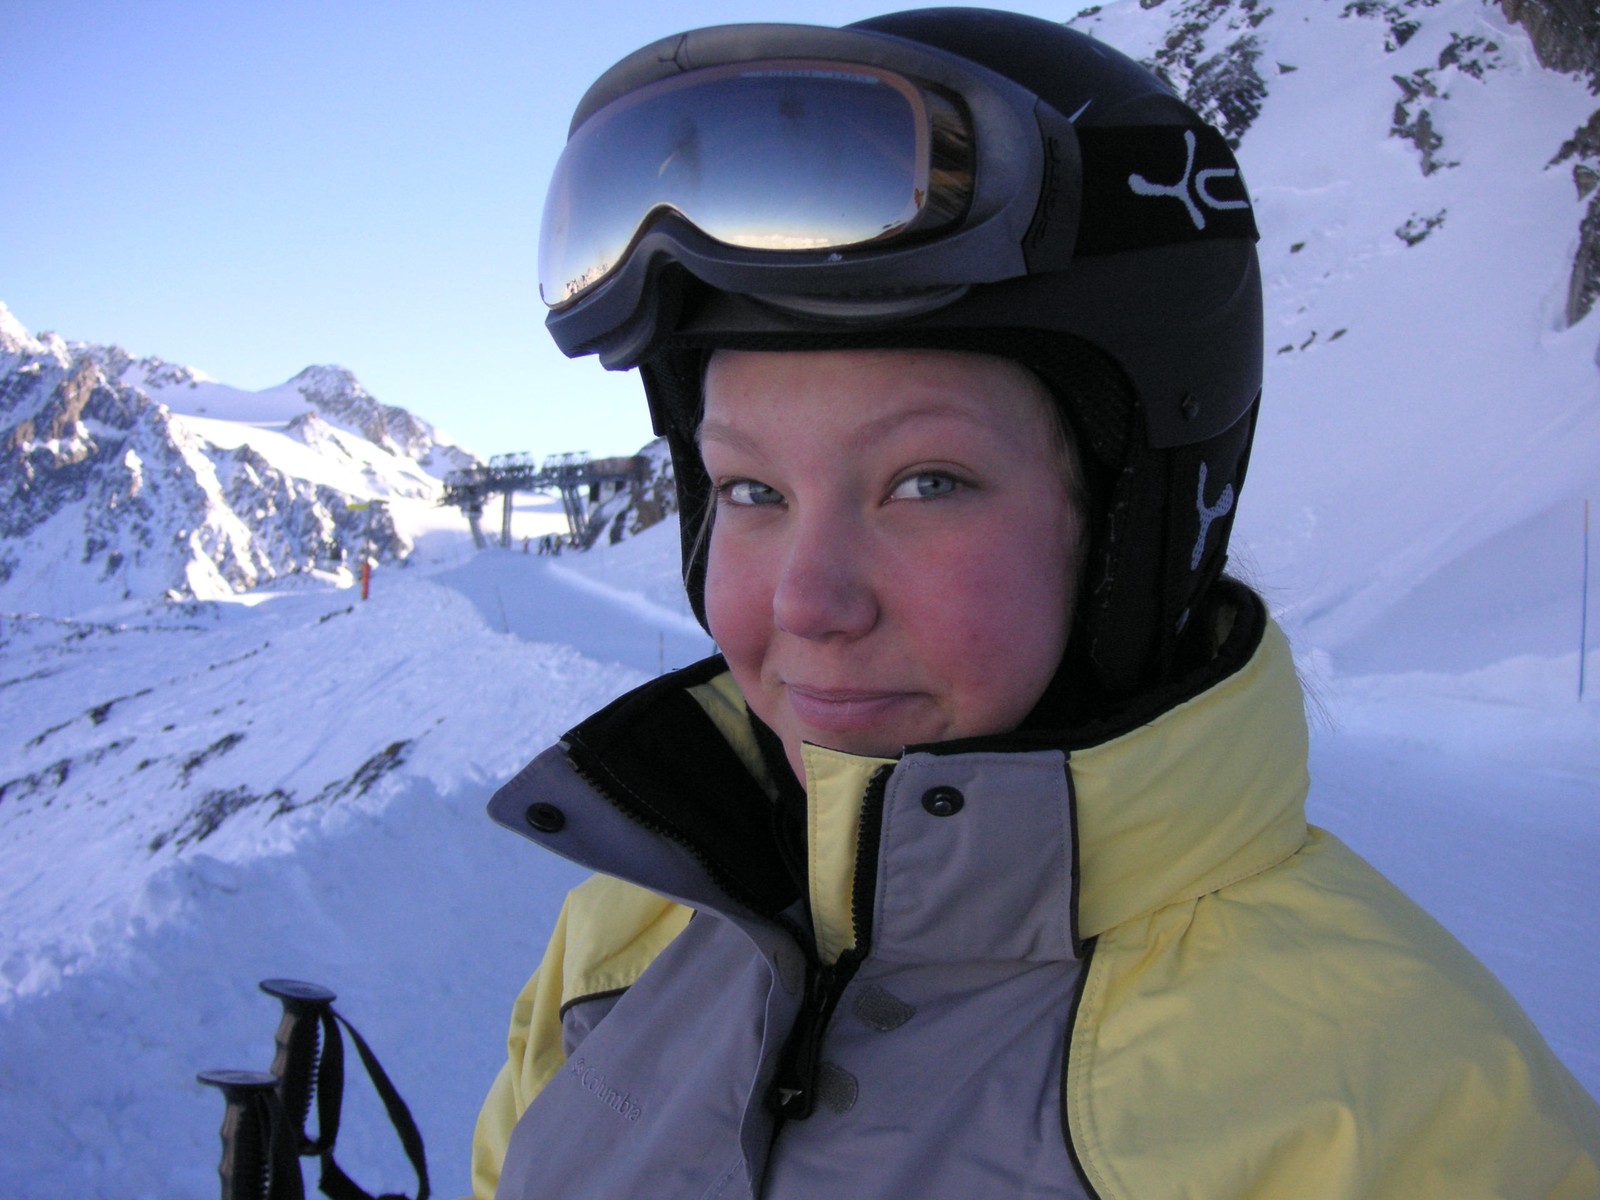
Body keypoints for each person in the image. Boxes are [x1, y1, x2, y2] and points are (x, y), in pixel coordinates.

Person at [470, 9, 1600, 1198]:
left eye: (926, 483)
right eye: (751, 490)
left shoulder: (1395, 1115)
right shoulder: (621, 944)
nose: (808, 603)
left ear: (1132, 531)